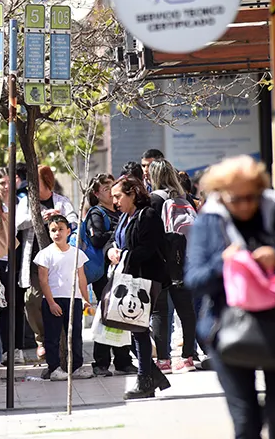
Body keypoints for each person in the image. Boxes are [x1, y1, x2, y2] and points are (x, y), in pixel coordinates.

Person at [185, 155, 275, 439]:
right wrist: (223, 262)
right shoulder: (210, 219)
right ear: (221, 194)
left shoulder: (274, 207)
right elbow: (193, 279)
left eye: (251, 197)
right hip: (226, 327)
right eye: (236, 199)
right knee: (246, 420)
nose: (245, 205)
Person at [105, 176, 172, 399]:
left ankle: (145, 380)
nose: (114, 201)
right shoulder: (125, 216)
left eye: (118, 196)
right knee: (131, 328)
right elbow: (113, 239)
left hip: (145, 280)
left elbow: (148, 249)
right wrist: (111, 251)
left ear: (132, 193)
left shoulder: (148, 214)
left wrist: (123, 255)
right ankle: (151, 376)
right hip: (129, 278)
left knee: (138, 329)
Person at [16, 165, 78, 359]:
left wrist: (58, 218)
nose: (32, 188)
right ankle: (41, 339)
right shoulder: (26, 202)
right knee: (32, 300)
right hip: (34, 261)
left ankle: (59, 344)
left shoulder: (61, 201)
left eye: (38, 183)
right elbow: (17, 223)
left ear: (47, 183)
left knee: (58, 302)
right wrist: (37, 218)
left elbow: (74, 221)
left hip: (58, 263)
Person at [148, 159, 200, 374]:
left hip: (163, 262)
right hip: (184, 261)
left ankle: (163, 360)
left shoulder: (154, 199)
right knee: (187, 311)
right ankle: (189, 356)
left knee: (161, 311)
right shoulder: (185, 198)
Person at [85, 174, 136, 376]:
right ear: (97, 193)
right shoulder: (97, 213)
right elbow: (97, 239)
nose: (111, 192)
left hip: (122, 270)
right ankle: (101, 362)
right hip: (103, 273)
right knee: (106, 315)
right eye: (106, 188)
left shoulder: (121, 211)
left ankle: (123, 360)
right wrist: (116, 234)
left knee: (122, 315)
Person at [34, 215, 94, 381]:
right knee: (52, 336)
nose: (57, 233)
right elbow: (43, 280)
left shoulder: (77, 254)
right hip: (53, 300)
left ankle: (76, 367)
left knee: (75, 335)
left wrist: (85, 298)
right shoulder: (44, 254)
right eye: (53, 230)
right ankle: (54, 368)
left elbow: (82, 278)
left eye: (61, 229)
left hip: (73, 299)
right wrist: (51, 302)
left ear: (68, 231)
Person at [0, 167, 25, 365]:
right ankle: (2, 348)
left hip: (17, 260)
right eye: (2, 183)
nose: (6, 187)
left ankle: (17, 348)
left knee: (17, 304)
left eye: (9, 182)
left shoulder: (21, 204)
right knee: (0, 306)